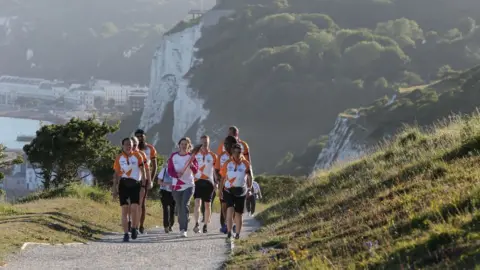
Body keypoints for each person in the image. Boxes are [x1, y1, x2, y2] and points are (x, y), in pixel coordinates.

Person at [113, 137, 147, 242]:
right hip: (123, 184)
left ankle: (134, 228)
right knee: (124, 209)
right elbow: (116, 174)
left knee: (134, 208)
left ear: (133, 146)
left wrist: (143, 185)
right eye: (126, 144)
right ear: (122, 145)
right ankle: (125, 233)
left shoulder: (138, 155)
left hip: (135, 184)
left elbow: (143, 170)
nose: (128, 146)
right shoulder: (119, 158)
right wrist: (115, 188)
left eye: (130, 144)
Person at [219, 143, 253, 241]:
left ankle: (237, 233)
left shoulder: (246, 164)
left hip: (241, 190)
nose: (237, 154)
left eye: (238, 152)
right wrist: (220, 190)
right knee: (230, 209)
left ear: (241, 152)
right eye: (234, 152)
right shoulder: (227, 163)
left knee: (239, 213)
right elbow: (222, 178)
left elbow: (250, 177)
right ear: (232, 153)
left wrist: (249, 189)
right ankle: (229, 231)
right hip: (228, 190)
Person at [168, 137, 200, 238]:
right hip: (176, 185)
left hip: (188, 184)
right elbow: (170, 170)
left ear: (188, 146)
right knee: (179, 206)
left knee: (184, 205)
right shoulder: (174, 156)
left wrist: (191, 166)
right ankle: (184, 220)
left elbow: (196, 170)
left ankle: (183, 229)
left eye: (186, 144)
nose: (184, 146)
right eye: (182, 144)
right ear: (179, 145)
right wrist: (176, 175)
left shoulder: (191, 156)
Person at [192, 135, 218, 234]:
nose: (204, 144)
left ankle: (206, 224)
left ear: (208, 142)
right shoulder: (195, 154)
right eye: (203, 142)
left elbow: (215, 171)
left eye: (206, 142)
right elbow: (191, 166)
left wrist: (216, 182)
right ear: (200, 142)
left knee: (207, 205)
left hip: (209, 182)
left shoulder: (213, 155)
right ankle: (196, 223)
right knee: (197, 203)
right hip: (197, 181)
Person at [134, 129, 158, 234]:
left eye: (141, 136)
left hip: (145, 178)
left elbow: (154, 166)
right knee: (132, 203)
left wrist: (151, 180)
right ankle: (132, 223)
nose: (139, 138)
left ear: (145, 137)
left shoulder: (150, 148)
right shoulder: (132, 148)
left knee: (142, 203)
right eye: (137, 136)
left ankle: (141, 226)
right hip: (133, 177)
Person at [215, 135, 238, 234]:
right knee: (224, 205)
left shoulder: (238, 155)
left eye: (226, 144)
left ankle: (231, 223)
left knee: (232, 205)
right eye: (224, 144)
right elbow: (216, 169)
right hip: (223, 184)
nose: (225, 146)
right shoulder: (221, 156)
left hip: (235, 184)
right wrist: (219, 178)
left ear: (233, 145)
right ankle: (226, 224)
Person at [131, 136, 150, 233]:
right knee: (129, 205)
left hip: (140, 183)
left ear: (138, 144)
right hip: (127, 183)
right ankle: (132, 223)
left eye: (135, 144)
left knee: (138, 205)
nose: (133, 146)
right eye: (132, 144)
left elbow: (147, 169)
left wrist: (148, 182)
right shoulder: (125, 155)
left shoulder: (141, 154)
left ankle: (136, 226)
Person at [158, 163, 175, 233]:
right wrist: (167, 184)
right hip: (164, 191)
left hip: (174, 192)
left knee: (172, 209)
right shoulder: (164, 170)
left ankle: (171, 224)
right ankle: (166, 226)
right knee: (165, 208)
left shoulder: (176, 170)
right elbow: (159, 181)